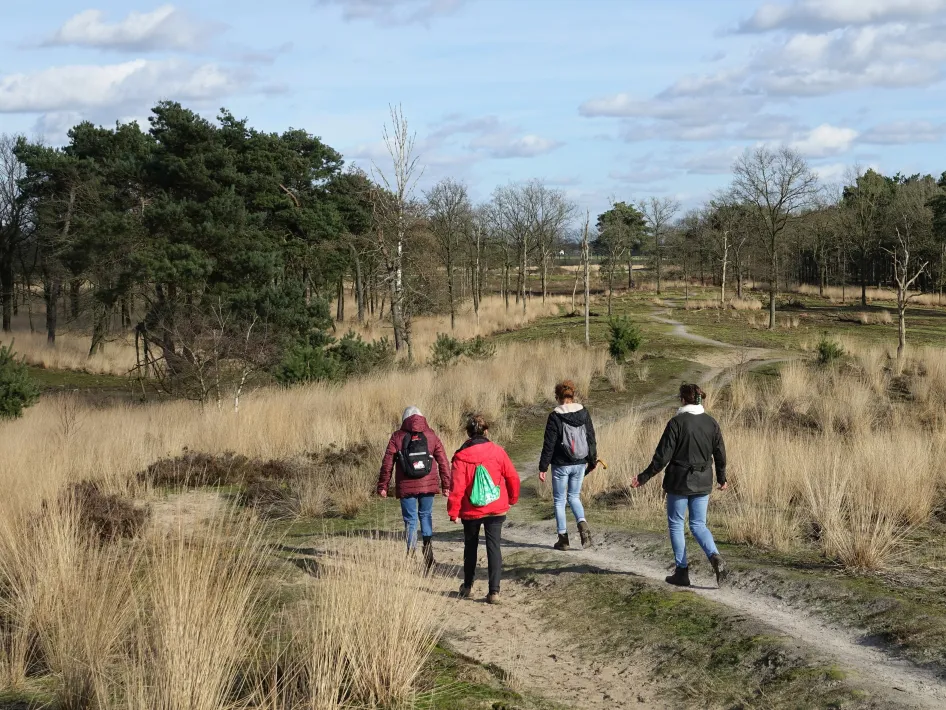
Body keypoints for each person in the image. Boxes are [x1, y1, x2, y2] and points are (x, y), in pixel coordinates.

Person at [632, 384, 728, 588]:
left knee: (676, 524)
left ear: (683, 400)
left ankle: (682, 572)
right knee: (699, 525)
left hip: (679, 480)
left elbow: (662, 456)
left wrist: (644, 477)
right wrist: (722, 478)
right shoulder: (711, 423)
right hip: (704, 479)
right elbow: (720, 453)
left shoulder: (676, 423)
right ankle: (715, 556)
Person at [448, 414, 520, 604]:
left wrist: (453, 512)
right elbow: (512, 476)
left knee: (470, 547)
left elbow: (457, 487)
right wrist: (512, 499)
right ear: (486, 431)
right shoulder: (498, 451)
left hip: (471, 510)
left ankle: (468, 587)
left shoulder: (461, 457)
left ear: (468, 433)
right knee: (494, 547)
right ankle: (494, 591)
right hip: (496, 507)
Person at [377, 406, 451, 569]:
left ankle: (410, 555)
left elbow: (387, 463)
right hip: (428, 484)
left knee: (410, 520)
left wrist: (383, 485)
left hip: (406, 485)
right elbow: (443, 461)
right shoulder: (431, 435)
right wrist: (446, 485)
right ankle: (428, 554)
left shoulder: (397, 436)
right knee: (426, 515)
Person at [538, 380, 597, 551]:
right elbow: (591, 438)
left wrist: (543, 467)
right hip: (580, 462)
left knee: (559, 500)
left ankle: (563, 540)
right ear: (573, 395)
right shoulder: (583, 412)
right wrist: (592, 460)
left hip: (561, 465)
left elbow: (549, 444)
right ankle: (583, 527)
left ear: (557, 397)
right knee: (574, 497)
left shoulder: (555, 416)